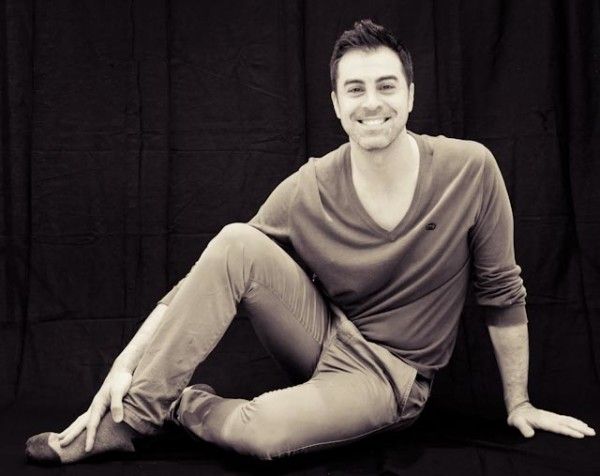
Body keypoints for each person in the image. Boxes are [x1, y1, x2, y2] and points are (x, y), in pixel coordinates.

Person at [25, 19, 595, 464]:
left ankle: (185, 404)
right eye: (355, 89)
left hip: (389, 378)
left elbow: (501, 291)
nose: (371, 103)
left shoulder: (470, 170)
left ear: (410, 95)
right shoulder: (310, 186)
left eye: (386, 86)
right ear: (337, 104)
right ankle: (132, 418)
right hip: (321, 337)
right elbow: (205, 277)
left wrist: (518, 402)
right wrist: (125, 364)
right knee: (235, 241)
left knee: (261, 433)